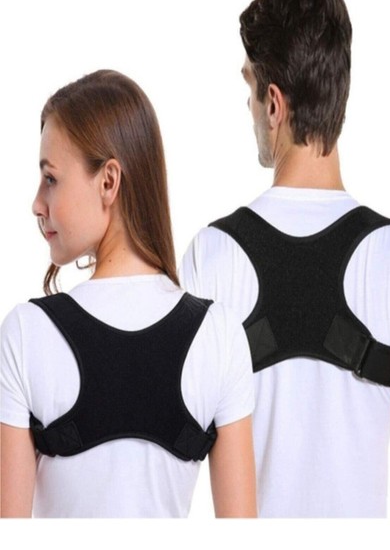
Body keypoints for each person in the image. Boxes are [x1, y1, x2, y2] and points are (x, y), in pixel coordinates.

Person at [180, 0, 390, 517]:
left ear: (273, 104)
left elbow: (161, 466)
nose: (248, 107)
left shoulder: (211, 257)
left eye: (250, 89)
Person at [0, 70, 256, 518]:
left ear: (108, 181)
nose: (37, 203)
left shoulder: (26, 334)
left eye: (51, 178)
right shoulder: (220, 335)